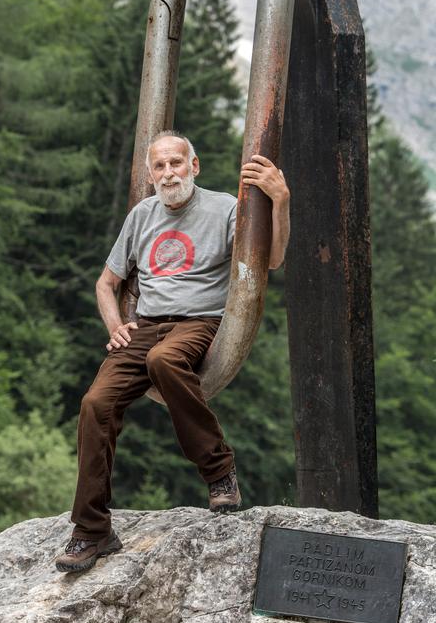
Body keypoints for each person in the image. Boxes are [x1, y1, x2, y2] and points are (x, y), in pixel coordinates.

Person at [54, 130, 290, 574]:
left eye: (176, 163)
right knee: (95, 403)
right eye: (159, 166)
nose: (168, 173)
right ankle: (92, 529)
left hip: (201, 321)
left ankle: (218, 470)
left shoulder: (224, 208)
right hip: (145, 324)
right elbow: (106, 283)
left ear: (194, 166)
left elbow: (270, 260)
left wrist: (280, 201)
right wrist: (116, 325)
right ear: (150, 173)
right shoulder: (142, 215)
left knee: (163, 360)